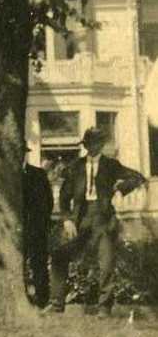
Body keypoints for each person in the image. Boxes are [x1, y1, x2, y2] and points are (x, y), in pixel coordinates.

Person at [48, 127, 146, 315]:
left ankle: (104, 308)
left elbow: (137, 177)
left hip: (103, 218)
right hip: (79, 218)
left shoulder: (112, 165)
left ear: (101, 144)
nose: (92, 147)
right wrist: (67, 220)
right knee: (60, 255)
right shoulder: (75, 166)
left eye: (96, 143)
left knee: (106, 261)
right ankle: (56, 304)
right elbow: (63, 196)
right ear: (86, 145)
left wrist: (120, 189)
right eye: (89, 143)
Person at [22, 145, 54, 308]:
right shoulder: (9, 176)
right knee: (18, 263)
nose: (20, 156)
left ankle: (42, 299)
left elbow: (48, 201)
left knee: (39, 262)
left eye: (22, 153)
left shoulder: (38, 174)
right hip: (17, 228)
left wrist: (42, 221)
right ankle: (24, 297)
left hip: (36, 226)